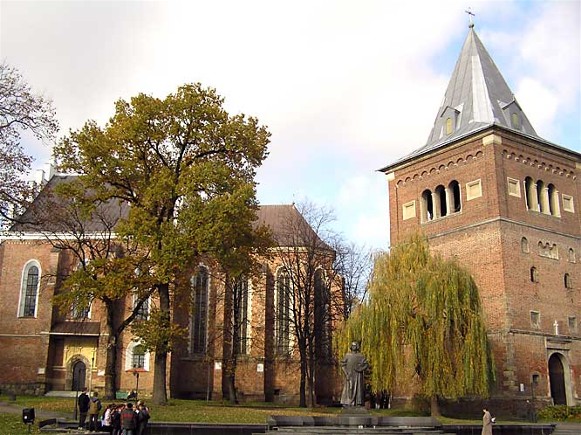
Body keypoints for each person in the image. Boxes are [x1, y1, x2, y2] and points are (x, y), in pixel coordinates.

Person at [340, 341, 369, 407]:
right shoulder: (348, 355)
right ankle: (347, 402)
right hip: (349, 375)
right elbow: (342, 364)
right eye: (352, 345)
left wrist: (360, 369)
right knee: (349, 388)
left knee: (358, 389)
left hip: (358, 376)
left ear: (357, 347)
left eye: (355, 345)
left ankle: (358, 403)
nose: (354, 347)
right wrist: (346, 373)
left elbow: (366, 364)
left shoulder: (360, 356)